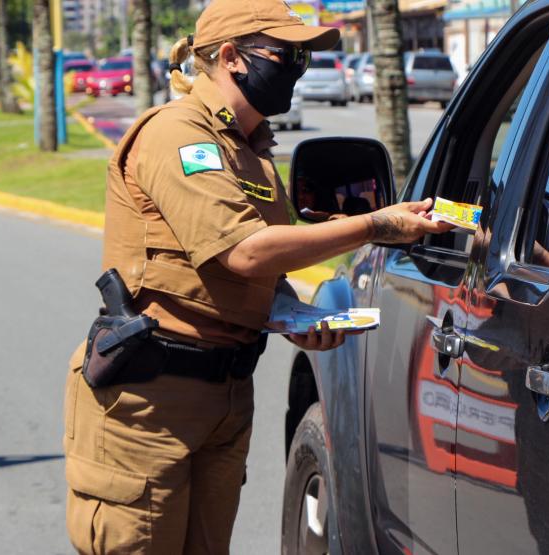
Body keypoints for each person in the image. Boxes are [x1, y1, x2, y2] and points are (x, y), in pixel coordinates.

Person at [62, 0, 452, 552]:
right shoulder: (179, 134)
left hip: (225, 394)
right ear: (231, 57)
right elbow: (243, 252)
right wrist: (377, 225)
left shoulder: (249, 149)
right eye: (286, 55)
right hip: (151, 403)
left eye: (302, 57)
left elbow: (255, 269)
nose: (298, 68)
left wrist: (291, 313)